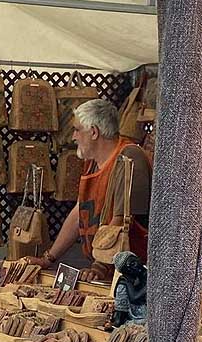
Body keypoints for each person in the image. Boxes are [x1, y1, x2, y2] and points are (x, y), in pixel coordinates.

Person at [25, 99, 151, 283]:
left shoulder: (130, 158)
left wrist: (99, 267)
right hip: (105, 269)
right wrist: (48, 258)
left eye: (77, 129)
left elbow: (123, 220)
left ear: (93, 132)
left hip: (131, 276)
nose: (73, 137)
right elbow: (79, 212)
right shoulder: (91, 163)